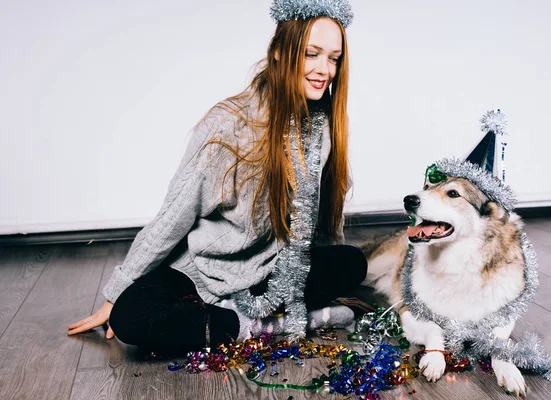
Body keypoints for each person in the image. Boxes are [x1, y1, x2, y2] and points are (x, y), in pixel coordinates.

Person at [68, 0, 366, 355]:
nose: (324, 69)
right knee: (131, 318)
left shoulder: (321, 126)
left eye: (333, 58)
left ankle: (243, 319)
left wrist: (310, 274)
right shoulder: (229, 124)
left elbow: (308, 229)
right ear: (278, 54)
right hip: (203, 274)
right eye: (311, 54)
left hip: (272, 272)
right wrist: (116, 292)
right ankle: (265, 325)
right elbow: (173, 216)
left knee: (352, 263)